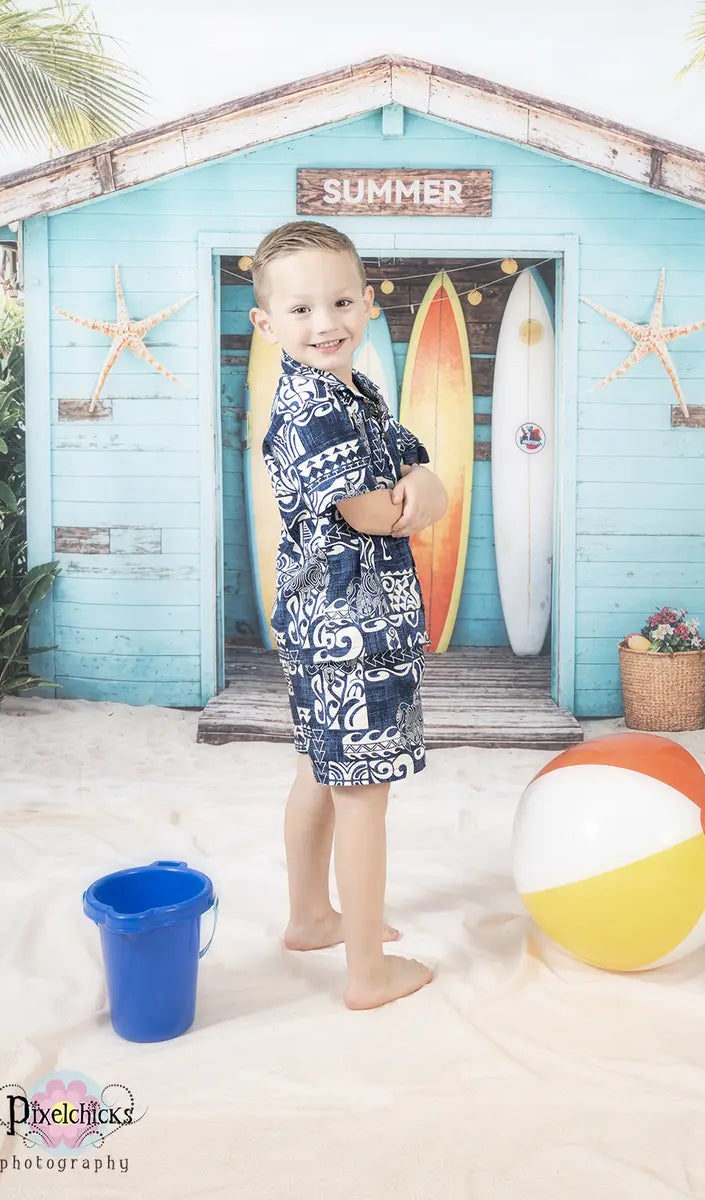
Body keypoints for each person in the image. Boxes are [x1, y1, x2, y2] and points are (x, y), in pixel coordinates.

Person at [249, 220, 448, 1010]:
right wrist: (423, 494)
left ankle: (311, 916)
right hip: (352, 627)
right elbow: (373, 511)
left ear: (366, 304)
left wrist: (422, 473)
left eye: (339, 302)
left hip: (319, 622)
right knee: (364, 792)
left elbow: (408, 449)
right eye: (300, 310)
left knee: (318, 765)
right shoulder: (313, 408)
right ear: (267, 324)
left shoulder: (351, 387)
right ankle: (367, 971)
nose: (324, 322)